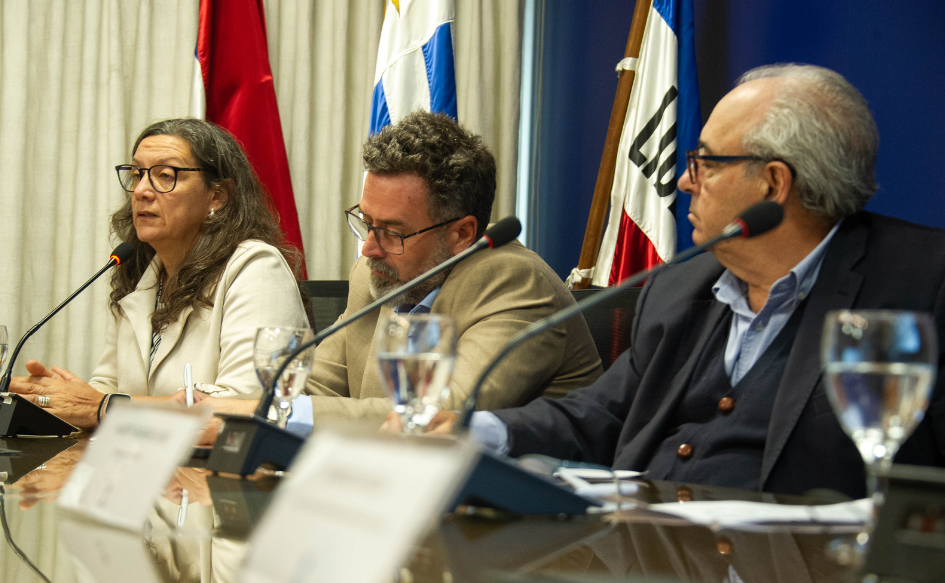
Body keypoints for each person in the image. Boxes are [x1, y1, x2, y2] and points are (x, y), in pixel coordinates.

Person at [429, 64, 945, 499]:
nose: (683, 180)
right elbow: (597, 414)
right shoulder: (680, 286)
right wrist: (475, 429)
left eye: (704, 163)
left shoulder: (922, 284)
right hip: (641, 554)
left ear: (773, 183)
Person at [197, 111, 602, 437]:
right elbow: (317, 388)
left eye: (393, 231)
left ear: (462, 233)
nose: (369, 248)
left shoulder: (513, 282)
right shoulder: (375, 274)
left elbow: (439, 416)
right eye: (366, 222)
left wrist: (265, 412)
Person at [10, 118, 310, 430]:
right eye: (137, 174)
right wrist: (51, 399)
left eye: (165, 176)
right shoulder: (142, 276)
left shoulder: (256, 269)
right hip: (144, 466)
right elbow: (105, 390)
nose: (141, 190)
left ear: (217, 196)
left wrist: (100, 406)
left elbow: (246, 405)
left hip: (217, 473)